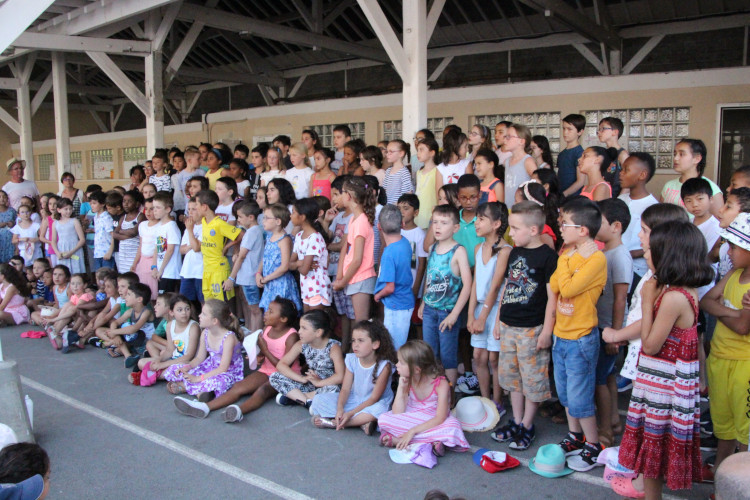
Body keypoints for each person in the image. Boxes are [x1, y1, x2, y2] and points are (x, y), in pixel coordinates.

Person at [618, 222, 714, 497]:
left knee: (654, 453)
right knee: (654, 455)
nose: (646, 253)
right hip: (661, 384)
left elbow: (650, 344)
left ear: (669, 255)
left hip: (663, 390)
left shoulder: (673, 297)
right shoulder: (680, 290)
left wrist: (648, 300)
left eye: (651, 250)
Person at [491, 201, 557, 449]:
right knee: (512, 378)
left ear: (533, 230)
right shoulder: (515, 253)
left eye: (516, 228)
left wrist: (547, 331)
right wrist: (498, 319)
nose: (511, 233)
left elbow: (553, 298)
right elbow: (508, 288)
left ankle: (528, 424)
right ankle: (517, 421)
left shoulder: (548, 258)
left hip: (532, 329)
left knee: (532, 380)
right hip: (508, 325)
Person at [549, 197, 607, 471]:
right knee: (565, 394)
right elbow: (553, 285)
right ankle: (575, 436)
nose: (560, 228)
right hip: (561, 335)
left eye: (565, 224)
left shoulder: (595, 258)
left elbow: (568, 288)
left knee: (580, 396)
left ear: (583, 230)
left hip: (581, 338)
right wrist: (568, 262)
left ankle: (594, 445)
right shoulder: (572, 256)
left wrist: (565, 262)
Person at [174, 298, 299, 421]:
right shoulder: (267, 329)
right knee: (238, 387)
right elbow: (264, 353)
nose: (266, 312)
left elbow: (284, 368)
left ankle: (239, 411)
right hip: (267, 371)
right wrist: (258, 355)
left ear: (283, 319)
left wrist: (265, 350)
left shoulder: (291, 336)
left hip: (286, 375)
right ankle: (205, 407)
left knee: (263, 391)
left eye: (271, 311)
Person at [700, 212, 750, 477]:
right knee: (725, 426)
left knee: (745, 430)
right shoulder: (734, 273)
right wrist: (732, 312)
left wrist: (722, 310)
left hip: (744, 367)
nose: (727, 251)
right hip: (719, 359)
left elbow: (744, 328)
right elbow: (706, 301)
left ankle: (740, 482)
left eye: (734, 246)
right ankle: (721, 473)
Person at [378, 340, 470, 454]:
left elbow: (440, 418)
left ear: (417, 369)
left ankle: (398, 440)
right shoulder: (408, 379)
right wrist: (401, 387)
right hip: (413, 416)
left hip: (433, 420)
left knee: (453, 427)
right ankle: (430, 443)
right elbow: (397, 413)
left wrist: (412, 431)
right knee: (383, 419)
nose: (396, 365)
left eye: (401, 362)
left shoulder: (441, 384)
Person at [593, 199, 633, 447]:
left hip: (610, 327)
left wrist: (616, 334)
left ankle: (605, 428)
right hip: (602, 325)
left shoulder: (620, 255)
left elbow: (620, 299)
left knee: (599, 379)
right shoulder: (604, 252)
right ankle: (614, 421)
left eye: (600, 221)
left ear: (616, 226)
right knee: (607, 376)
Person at [419, 205, 472, 388]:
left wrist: (454, 314)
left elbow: (467, 285)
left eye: (444, 223)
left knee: (448, 357)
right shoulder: (432, 247)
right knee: (429, 354)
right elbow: (430, 277)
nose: (438, 227)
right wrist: (423, 304)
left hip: (447, 312)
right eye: (435, 222)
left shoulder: (458, 251)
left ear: (455, 228)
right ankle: (432, 394)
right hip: (430, 311)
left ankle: (449, 399)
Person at [311, 320, 396, 434]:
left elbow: (374, 398)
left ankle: (338, 423)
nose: (355, 345)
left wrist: (350, 413)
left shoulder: (384, 366)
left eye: (361, 341)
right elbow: (345, 389)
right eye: (353, 340)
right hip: (354, 399)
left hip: (373, 403)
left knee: (380, 410)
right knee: (318, 399)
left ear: (375, 344)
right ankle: (361, 422)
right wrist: (340, 408)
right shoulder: (351, 359)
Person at [465, 202, 511, 408]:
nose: (476, 222)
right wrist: (470, 316)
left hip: (495, 310)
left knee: (494, 358)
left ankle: (497, 402)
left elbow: (495, 286)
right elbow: (475, 284)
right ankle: (485, 400)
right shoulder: (478, 247)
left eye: (482, 218)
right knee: (478, 356)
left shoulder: (505, 250)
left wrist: (483, 318)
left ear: (496, 224)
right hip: (480, 308)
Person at [163, 299, 244, 398]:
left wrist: (197, 378)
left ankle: (188, 387)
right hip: (210, 366)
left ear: (214, 321)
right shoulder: (205, 332)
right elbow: (199, 358)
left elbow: (223, 368)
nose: (199, 316)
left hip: (227, 372)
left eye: (204, 314)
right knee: (175, 368)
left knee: (218, 382)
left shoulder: (229, 338)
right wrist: (187, 367)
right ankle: (199, 392)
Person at [270, 309, 344, 409]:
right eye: (300, 327)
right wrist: (301, 379)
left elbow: (340, 376)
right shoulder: (301, 344)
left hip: (328, 385)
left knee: (335, 390)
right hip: (310, 384)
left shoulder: (333, 347)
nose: (299, 331)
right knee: (275, 376)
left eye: (304, 328)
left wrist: (319, 383)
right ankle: (307, 402)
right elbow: (281, 365)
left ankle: (295, 397)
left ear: (318, 332)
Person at [333, 177, 377, 338]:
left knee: (361, 325)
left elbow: (357, 259)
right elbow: (346, 247)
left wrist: (342, 281)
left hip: (361, 278)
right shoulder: (354, 218)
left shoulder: (361, 222)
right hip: (354, 278)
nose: (340, 196)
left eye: (342, 192)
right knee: (359, 325)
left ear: (349, 196)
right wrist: (340, 275)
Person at [132, 294, 200, 387]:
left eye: (187, 309)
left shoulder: (193, 327)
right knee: (141, 363)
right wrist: (159, 360)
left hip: (186, 363)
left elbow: (189, 356)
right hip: (174, 360)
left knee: (179, 369)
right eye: (179, 310)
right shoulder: (170, 325)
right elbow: (169, 350)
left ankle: (147, 375)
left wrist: (163, 365)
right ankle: (158, 375)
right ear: (171, 312)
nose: (184, 312)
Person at [374, 205, 415, 350]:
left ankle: (397, 372)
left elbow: (389, 287)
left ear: (379, 227)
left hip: (396, 304)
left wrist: (378, 295)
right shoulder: (405, 243)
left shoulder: (389, 253)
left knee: (393, 348)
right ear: (402, 224)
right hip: (404, 300)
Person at [618, 153, 659, 291]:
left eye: (626, 170)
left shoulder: (652, 207)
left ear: (642, 175)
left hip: (637, 270)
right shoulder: (621, 200)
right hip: (617, 264)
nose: (621, 173)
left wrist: (633, 253)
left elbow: (657, 242)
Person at [324, 176, 355, 346]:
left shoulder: (353, 218)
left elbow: (343, 244)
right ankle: (344, 344)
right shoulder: (338, 216)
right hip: (333, 268)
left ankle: (351, 345)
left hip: (344, 271)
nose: (334, 199)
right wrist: (326, 221)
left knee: (351, 312)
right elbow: (327, 236)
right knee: (342, 311)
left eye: (337, 194)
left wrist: (326, 246)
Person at [196, 190, 243, 302]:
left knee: (222, 306)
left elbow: (241, 235)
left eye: (197, 205)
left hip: (219, 269)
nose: (196, 207)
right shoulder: (203, 221)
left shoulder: (219, 223)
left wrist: (227, 246)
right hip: (207, 269)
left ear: (204, 207)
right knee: (209, 304)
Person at [257, 203, 302, 312]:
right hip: (269, 283)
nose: (263, 221)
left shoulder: (284, 240)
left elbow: (284, 266)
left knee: (279, 313)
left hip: (281, 283)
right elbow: (265, 257)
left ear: (278, 221)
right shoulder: (269, 237)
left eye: (267, 218)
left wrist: (266, 278)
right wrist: (258, 273)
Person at [661, 138, 723, 217]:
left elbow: (718, 221)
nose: (675, 158)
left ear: (697, 158)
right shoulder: (669, 186)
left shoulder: (711, 188)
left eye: (681, 154)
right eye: (675, 154)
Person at [227, 201, 264, 331]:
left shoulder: (251, 232)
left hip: (249, 276)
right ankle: (250, 333)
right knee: (252, 309)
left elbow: (242, 255)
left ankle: (255, 339)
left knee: (255, 310)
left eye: (240, 217)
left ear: (251, 217)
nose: (238, 220)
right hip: (249, 275)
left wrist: (231, 278)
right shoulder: (257, 230)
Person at [290, 197, 331, 311]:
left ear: (302, 217)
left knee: (314, 322)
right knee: (308, 321)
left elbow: (304, 270)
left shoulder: (314, 238)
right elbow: (290, 264)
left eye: (293, 212)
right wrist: (300, 263)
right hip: (306, 287)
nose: (290, 216)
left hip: (317, 287)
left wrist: (298, 264)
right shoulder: (299, 236)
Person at [99, 283, 154, 361]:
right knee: (101, 330)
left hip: (145, 341)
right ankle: (128, 356)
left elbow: (134, 328)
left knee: (126, 326)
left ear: (139, 299)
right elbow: (115, 323)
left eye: (128, 294)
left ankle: (113, 345)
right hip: (133, 340)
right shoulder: (130, 311)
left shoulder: (146, 312)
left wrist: (115, 332)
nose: (125, 297)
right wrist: (116, 335)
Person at [151, 192, 182, 294]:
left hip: (169, 271)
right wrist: (154, 267)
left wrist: (161, 270)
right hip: (161, 271)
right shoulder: (159, 226)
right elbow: (156, 248)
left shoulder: (171, 226)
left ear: (168, 209)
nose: (154, 210)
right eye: (153, 207)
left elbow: (170, 250)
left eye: (158, 208)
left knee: (167, 299)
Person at [503, 123, 537, 205]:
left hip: (523, 209)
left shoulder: (528, 161)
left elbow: (536, 185)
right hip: (509, 208)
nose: (505, 140)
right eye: (505, 137)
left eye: (509, 137)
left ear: (521, 141)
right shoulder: (507, 161)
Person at [132, 198, 159, 299]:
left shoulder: (160, 226)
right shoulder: (142, 225)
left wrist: (154, 265)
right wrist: (135, 263)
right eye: (146, 208)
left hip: (153, 262)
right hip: (142, 262)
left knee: (153, 292)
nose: (148, 212)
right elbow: (141, 245)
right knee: (142, 293)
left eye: (151, 209)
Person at [51, 198, 85, 274]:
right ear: (59, 210)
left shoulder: (74, 221)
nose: (69, 211)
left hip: (74, 249)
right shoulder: (55, 223)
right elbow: (53, 241)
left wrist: (71, 252)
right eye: (66, 209)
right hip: (62, 249)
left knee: (76, 271)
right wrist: (57, 252)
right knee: (63, 272)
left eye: (70, 209)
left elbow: (82, 239)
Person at [597, 117, 629, 197]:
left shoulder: (623, 154)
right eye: (598, 129)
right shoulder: (604, 154)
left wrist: (619, 200)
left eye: (603, 129)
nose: (599, 132)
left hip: (616, 198)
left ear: (615, 132)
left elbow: (629, 181)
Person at [113, 190, 144, 274]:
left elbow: (134, 231)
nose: (125, 204)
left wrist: (122, 231)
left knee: (134, 274)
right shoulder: (123, 217)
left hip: (134, 253)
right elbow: (115, 234)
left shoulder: (140, 216)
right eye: (124, 201)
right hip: (123, 254)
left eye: (129, 201)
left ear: (137, 204)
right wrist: (128, 235)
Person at [415, 137, 442, 230]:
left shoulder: (438, 171)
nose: (418, 153)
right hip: (418, 214)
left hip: (429, 214)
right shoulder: (419, 172)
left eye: (421, 150)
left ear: (432, 153)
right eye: (418, 150)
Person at [86, 191, 115, 271]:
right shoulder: (96, 217)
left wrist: (110, 252)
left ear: (102, 204)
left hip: (106, 253)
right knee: (99, 276)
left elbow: (113, 235)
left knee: (107, 276)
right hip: (98, 252)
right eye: (91, 203)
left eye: (94, 203)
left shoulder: (106, 217)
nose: (92, 206)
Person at [559, 114, 586, 196]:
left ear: (580, 132)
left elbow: (580, 182)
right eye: (564, 128)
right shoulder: (562, 153)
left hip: (573, 198)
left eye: (569, 129)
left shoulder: (579, 153)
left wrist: (563, 195)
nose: (565, 132)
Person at [383, 140, 414, 205]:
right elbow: (384, 190)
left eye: (391, 151)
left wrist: (395, 205)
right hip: (387, 208)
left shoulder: (404, 172)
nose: (387, 154)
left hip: (397, 210)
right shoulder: (388, 171)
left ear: (401, 153)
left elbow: (406, 195)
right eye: (387, 151)